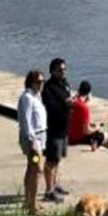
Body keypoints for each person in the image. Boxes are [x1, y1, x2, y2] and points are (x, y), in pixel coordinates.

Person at [41, 57, 72, 203]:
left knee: (58, 158)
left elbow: (68, 100)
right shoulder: (49, 88)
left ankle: (54, 184)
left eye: (64, 70)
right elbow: (50, 107)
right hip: (53, 128)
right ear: (52, 71)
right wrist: (66, 104)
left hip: (64, 128)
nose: (63, 72)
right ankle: (48, 191)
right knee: (51, 160)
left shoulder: (64, 84)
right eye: (60, 70)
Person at [17, 69, 46, 216]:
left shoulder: (36, 96)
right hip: (33, 139)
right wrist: (33, 141)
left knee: (31, 167)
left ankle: (28, 201)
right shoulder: (27, 98)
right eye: (39, 82)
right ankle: (32, 204)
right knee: (37, 169)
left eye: (42, 82)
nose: (41, 84)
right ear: (31, 82)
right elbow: (26, 121)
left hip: (40, 137)